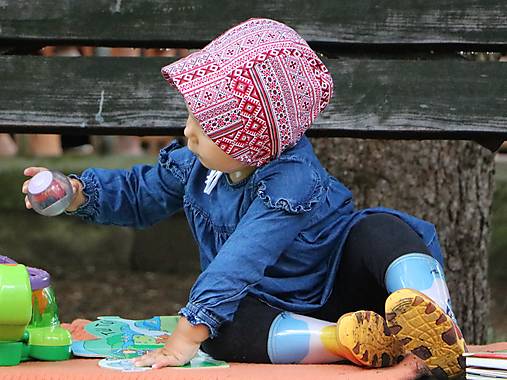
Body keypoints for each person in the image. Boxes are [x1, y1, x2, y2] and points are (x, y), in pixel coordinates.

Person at [21, 19, 466, 378]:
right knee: (224, 327)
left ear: (250, 140)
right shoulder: (198, 163)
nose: (188, 131)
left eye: (207, 124)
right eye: (191, 115)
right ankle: (347, 340)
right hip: (282, 311)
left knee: (382, 230)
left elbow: (240, 258)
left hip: (349, 280)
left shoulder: (289, 181)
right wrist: (77, 193)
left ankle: (431, 318)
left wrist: (184, 337)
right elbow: (143, 194)